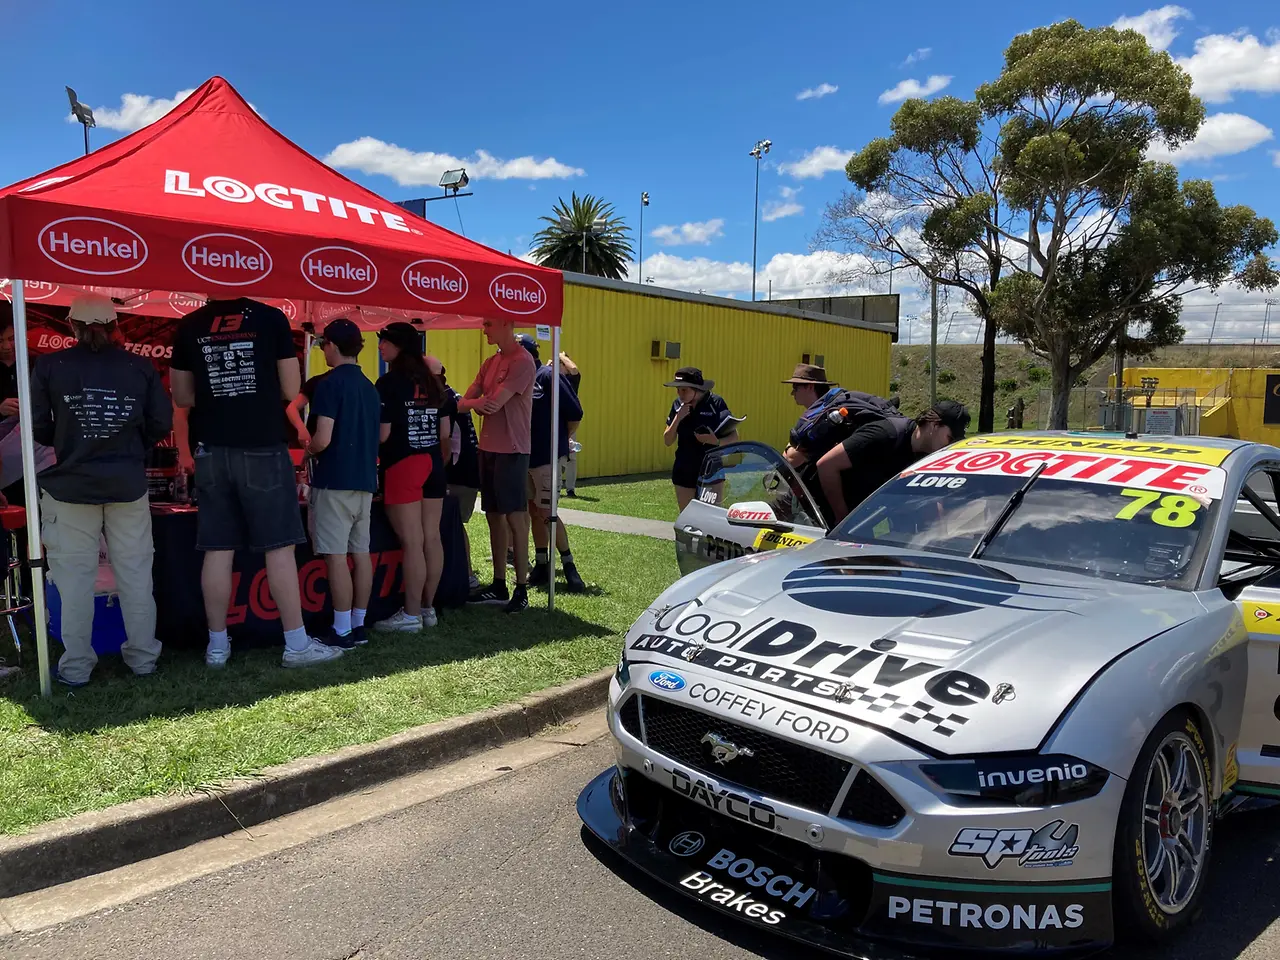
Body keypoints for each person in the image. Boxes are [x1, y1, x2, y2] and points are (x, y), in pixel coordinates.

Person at [170, 297, 342, 669]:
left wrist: (218, 394)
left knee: (217, 548)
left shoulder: (190, 324)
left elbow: (182, 396)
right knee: (278, 546)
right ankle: (296, 645)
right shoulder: (270, 318)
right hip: (262, 445)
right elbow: (290, 387)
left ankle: (217, 647)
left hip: (211, 448)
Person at [30, 293, 171, 686]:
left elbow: (39, 425)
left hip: (71, 485)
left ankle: (75, 667)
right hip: (126, 482)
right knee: (136, 573)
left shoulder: (50, 365)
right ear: (114, 327)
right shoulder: (139, 366)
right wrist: (128, 447)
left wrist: (70, 441)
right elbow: (160, 422)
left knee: (74, 578)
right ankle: (143, 659)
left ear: (72, 327)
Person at [304, 319, 380, 648]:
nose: (322, 350)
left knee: (336, 557)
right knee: (360, 554)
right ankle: (358, 624)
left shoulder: (329, 385)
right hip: (364, 480)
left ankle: (342, 630)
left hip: (334, 480)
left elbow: (322, 438)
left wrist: (307, 447)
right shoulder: (369, 385)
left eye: (324, 345)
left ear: (333, 346)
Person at [374, 322, 453, 630]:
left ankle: (410, 615)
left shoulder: (389, 383)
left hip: (404, 463)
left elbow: (383, 435)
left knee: (412, 542)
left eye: (385, 342)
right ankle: (427, 608)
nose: (380, 347)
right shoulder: (432, 381)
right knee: (430, 537)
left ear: (400, 346)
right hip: (432, 462)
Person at [457, 317, 537, 613]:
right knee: (493, 515)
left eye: (489, 324)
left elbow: (494, 403)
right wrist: (476, 403)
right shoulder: (490, 361)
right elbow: (464, 402)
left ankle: (522, 588)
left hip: (513, 451)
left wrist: (476, 403)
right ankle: (499, 583)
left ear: (506, 324)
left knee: (516, 518)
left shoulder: (522, 361)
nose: (484, 329)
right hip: (487, 449)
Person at [816, 400, 971, 524]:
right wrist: (843, 519)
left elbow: (929, 501)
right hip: (823, 518)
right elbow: (826, 465)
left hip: (863, 523)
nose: (950, 446)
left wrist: (938, 535)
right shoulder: (884, 434)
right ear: (934, 425)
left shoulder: (926, 456)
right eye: (950, 438)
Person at [519, 336, 586, 592]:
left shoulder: (547, 375)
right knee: (532, 510)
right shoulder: (518, 377)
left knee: (548, 512)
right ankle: (542, 563)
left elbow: (575, 413)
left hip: (546, 457)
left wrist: (561, 440)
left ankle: (569, 566)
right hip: (523, 456)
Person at [663, 367, 737, 512]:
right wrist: (678, 418)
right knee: (687, 516)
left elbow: (734, 436)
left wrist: (715, 442)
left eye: (684, 390)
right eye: (678, 390)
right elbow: (667, 440)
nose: (680, 394)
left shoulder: (716, 403)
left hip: (711, 468)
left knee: (712, 516)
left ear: (696, 389)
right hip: (684, 467)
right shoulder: (677, 405)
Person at [442, 364, 482, 592]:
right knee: (455, 525)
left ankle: (467, 575)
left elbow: (447, 445)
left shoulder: (447, 401)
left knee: (455, 525)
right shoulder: (452, 397)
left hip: (459, 475)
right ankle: (463, 573)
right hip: (465, 473)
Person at [781, 363, 843, 469]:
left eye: (796, 387)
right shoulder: (815, 416)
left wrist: (790, 448)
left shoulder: (824, 419)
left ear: (810, 387)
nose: (792, 393)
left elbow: (791, 459)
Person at [559, 352, 582, 497]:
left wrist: (561, 356)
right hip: (552, 422)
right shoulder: (550, 376)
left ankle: (570, 488)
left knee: (571, 456)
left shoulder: (571, 380)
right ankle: (555, 486)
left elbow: (574, 369)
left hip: (568, 422)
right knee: (555, 456)